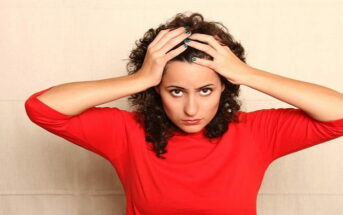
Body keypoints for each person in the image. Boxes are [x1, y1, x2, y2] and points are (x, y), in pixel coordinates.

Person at [25, 12, 343, 215]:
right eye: (176, 91)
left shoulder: (255, 132)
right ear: (157, 90)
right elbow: (42, 108)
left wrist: (247, 74)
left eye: (205, 90)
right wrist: (141, 78)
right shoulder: (127, 132)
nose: (191, 109)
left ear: (224, 87)